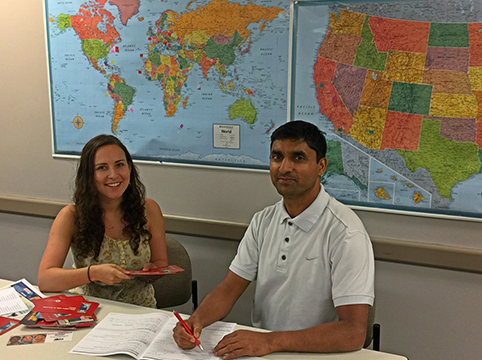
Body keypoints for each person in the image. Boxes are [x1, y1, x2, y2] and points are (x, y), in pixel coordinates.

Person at [173, 120, 374, 359]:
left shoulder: (345, 232)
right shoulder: (263, 221)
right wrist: (195, 321)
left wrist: (269, 341)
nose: (284, 168)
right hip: (266, 352)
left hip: (317, 353)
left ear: (321, 166)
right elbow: (228, 290)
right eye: (277, 157)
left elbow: (352, 332)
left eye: (298, 158)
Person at [38, 135, 168, 308]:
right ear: (89, 175)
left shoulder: (149, 209)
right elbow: (46, 280)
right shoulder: (70, 216)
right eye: (102, 168)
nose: (113, 175)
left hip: (140, 311)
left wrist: (153, 270)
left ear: (130, 168)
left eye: (120, 165)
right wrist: (93, 274)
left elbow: (161, 263)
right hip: (91, 310)